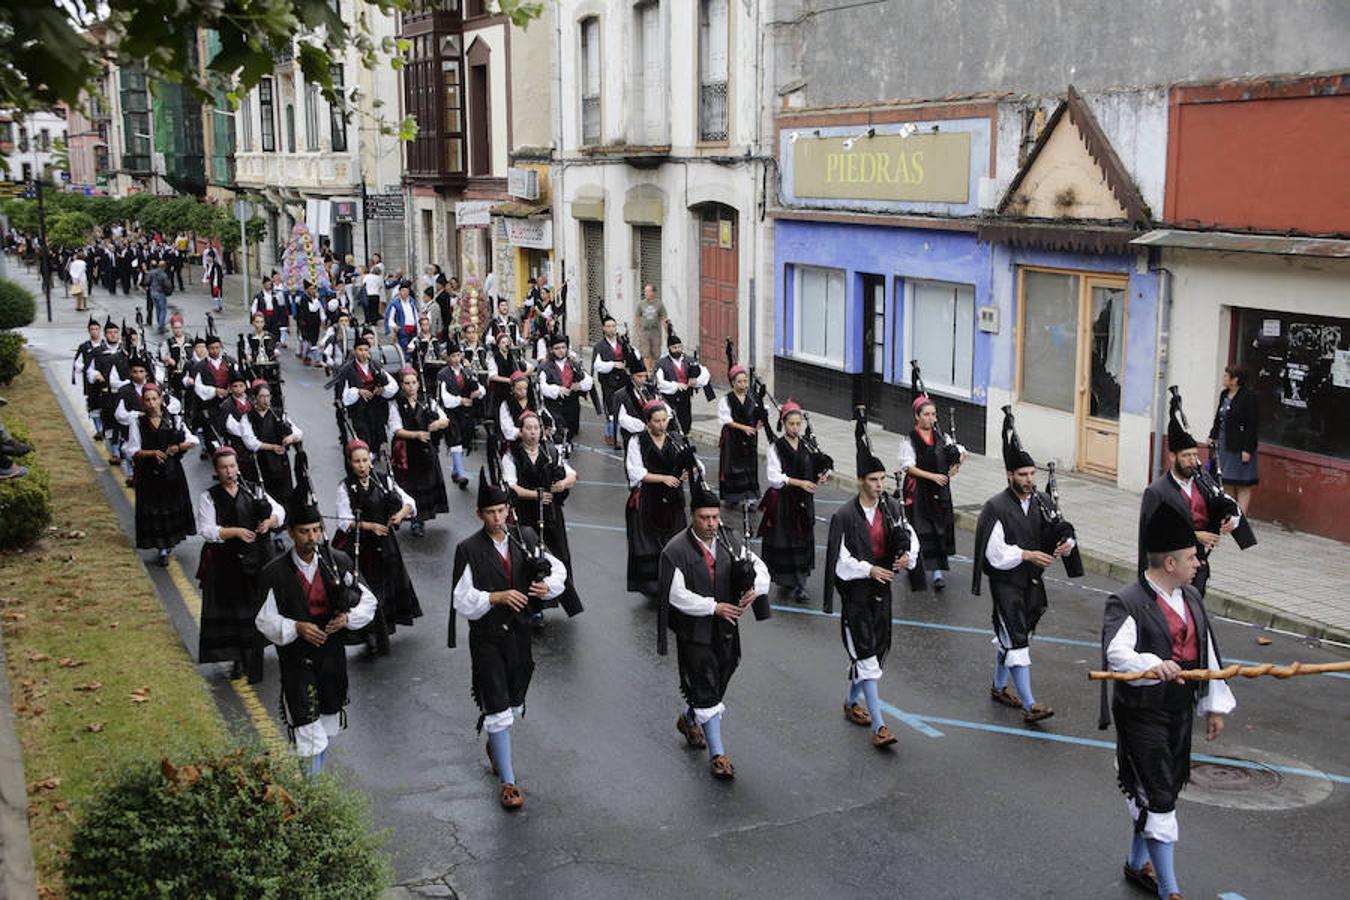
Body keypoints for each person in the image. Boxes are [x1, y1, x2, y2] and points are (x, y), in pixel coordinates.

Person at [1101, 500, 1235, 900]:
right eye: (1193, 557)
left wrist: (1213, 705)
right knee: (1158, 795)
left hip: (1178, 713)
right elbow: (1116, 654)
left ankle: (1135, 863)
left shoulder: (1192, 597)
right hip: (1142, 714)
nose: (1199, 563)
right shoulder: (1126, 601)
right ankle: (1170, 890)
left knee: (1163, 789)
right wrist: (1152, 664)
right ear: (1170, 563)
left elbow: (1207, 652)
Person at [448, 470, 567, 809]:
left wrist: (547, 587)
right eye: (490, 512)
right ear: (479, 515)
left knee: (513, 704)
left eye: (502, 511)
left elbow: (557, 569)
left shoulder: (525, 537)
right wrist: (495, 598)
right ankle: (509, 782)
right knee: (497, 705)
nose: (498, 518)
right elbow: (461, 598)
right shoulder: (468, 549)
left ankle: (496, 742)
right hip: (486, 638)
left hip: (520, 636)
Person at [255, 489, 378, 776]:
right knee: (307, 729)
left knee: (322, 727)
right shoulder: (274, 573)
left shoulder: (338, 562)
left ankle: (311, 790)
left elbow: (369, 600)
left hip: (331, 659)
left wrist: (347, 618)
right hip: (297, 660)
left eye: (316, 530)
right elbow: (264, 619)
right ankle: (311, 795)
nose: (312, 538)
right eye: (304, 532)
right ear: (290, 532)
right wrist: (296, 627)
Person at [971, 408, 1079, 723]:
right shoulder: (996, 507)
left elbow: (1059, 527)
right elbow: (995, 553)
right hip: (1006, 584)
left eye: (1032, 474)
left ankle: (999, 685)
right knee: (1016, 637)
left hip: (1031, 581)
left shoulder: (1043, 501)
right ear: (1010, 476)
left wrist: (1065, 542)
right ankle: (1030, 704)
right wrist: (1027, 555)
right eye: (1023, 475)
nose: (1030, 480)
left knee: (1018, 634)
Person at [658, 478, 769, 779]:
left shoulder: (729, 541)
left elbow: (758, 566)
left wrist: (754, 590)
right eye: (704, 518)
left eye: (715, 517)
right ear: (692, 516)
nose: (711, 523)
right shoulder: (676, 549)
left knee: (722, 674)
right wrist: (713, 606)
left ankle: (689, 717)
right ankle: (718, 754)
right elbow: (676, 594)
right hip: (695, 630)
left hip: (726, 628)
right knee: (706, 684)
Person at [823, 427, 918, 749]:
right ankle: (880, 726)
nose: (880, 485)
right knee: (867, 659)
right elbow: (841, 559)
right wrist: (869, 568)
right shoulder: (845, 516)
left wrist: (907, 556)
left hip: (881, 594)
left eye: (882, 480)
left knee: (875, 653)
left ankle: (851, 703)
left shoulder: (890, 508)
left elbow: (908, 534)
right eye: (874, 479)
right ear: (861, 479)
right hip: (856, 596)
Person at [1139, 390, 1248, 598]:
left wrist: (1232, 518)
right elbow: (1152, 535)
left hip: (1197, 569)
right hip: (1167, 573)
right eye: (1186, 455)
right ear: (1172, 457)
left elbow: (1222, 502)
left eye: (1195, 455)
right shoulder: (1157, 491)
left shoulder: (1203, 481)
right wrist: (1195, 535)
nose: (1192, 460)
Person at [195, 447, 284, 683]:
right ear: (216, 471)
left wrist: (269, 521)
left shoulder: (253, 489)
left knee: (257, 607)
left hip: (258, 559)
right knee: (234, 611)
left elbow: (280, 512)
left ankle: (254, 651)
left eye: (232, 466)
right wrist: (233, 532)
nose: (229, 471)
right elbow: (206, 530)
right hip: (227, 563)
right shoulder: (209, 496)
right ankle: (238, 657)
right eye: (224, 467)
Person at [333, 440, 420, 656]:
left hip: (386, 544)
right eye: (357, 462)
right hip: (361, 546)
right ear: (350, 463)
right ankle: (370, 633)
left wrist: (400, 514)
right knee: (368, 590)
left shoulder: (383, 480)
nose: (362, 466)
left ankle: (383, 629)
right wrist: (369, 526)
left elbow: (408, 501)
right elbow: (344, 521)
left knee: (386, 586)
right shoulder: (345, 487)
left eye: (364, 460)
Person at [502, 410, 583, 622]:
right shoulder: (512, 454)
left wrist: (562, 484)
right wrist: (536, 495)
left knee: (557, 556)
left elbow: (572, 475)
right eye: (528, 428)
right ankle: (532, 607)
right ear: (521, 431)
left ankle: (551, 598)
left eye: (536, 428)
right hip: (525, 515)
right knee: (530, 559)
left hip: (551, 514)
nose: (533, 432)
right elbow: (512, 486)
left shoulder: (550, 452)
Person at [758, 401, 829, 604]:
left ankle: (800, 583)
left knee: (802, 540)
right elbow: (774, 477)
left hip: (804, 501)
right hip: (784, 501)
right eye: (791, 424)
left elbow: (820, 463)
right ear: (784, 423)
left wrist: (822, 476)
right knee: (786, 540)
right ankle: (787, 579)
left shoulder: (807, 444)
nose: (795, 428)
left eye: (798, 424)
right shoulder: (776, 447)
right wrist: (800, 483)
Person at [124, 382, 197, 567]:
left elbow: (192, 440)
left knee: (170, 507)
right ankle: (161, 548)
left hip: (172, 474)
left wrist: (177, 447)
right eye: (147, 400)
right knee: (154, 509)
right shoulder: (137, 423)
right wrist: (152, 453)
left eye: (154, 399)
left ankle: (169, 543)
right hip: (149, 475)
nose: (151, 403)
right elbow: (132, 450)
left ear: (160, 399)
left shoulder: (173, 419)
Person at [626, 401, 695, 595]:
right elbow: (636, 471)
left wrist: (688, 472)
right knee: (649, 543)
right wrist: (664, 478)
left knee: (675, 540)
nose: (662, 425)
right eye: (657, 421)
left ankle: (676, 583)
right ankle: (653, 587)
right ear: (648, 423)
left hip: (673, 500)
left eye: (664, 420)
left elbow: (694, 465)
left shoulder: (676, 439)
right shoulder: (638, 441)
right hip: (648, 499)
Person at [898, 395, 965, 593]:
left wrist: (956, 467)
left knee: (938, 529)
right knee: (919, 529)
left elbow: (960, 451)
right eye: (926, 414)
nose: (931, 418)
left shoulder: (941, 437)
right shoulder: (910, 439)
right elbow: (908, 467)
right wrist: (933, 476)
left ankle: (937, 572)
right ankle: (915, 568)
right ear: (917, 416)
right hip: (918, 490)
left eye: (933, 414)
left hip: (939, 491)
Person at [386, 368, 451, 535]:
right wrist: (416, 434)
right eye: (407, 383)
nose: (411, 387)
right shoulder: (396, 404)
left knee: (425, 485)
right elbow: (396, 429)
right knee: (410, 487)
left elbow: (445, 419)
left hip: (426, 452)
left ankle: (419, 520)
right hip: (407, 452)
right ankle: (405, 516)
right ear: (402, 385)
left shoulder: (427, 402)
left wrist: (437, 424)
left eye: (413, 383)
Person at [240, 381, 302, 507]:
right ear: (255, 398)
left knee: (285, 495)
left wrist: (291, 437)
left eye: (268, 396)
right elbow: (250, 442)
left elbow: (298, 432)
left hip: (280, 462)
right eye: (262, 396)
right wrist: (272, 447)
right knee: (265, 495)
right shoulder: (248, 418)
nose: (265, 400)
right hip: (261, 462)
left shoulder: (279, 414)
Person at [1207, 364, 1259, 511]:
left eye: (1226, 376)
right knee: (1227, 480)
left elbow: (1252, 425)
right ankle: (1231, 513)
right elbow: (1218, 417)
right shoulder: (1224, 395)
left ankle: (1241, 517)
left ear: (1235, 380)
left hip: (1241, 445)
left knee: (1242, 483)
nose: (1223, 378)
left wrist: (1247, 449)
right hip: (1225, 443)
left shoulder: (1249, 397)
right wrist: (1213, 435)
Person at [335, 337, 398, 455]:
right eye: (360, 350)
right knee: (363, 433)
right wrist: (358, 392)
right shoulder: (348, 369)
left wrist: (382, 389)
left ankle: (375, 452)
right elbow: (344, 395)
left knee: (377, 431)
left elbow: (392, 385)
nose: (363, 353)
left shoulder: (375, 366)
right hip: (359, 409)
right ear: (354, 351)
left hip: (376, 406)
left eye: (366, 350)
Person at [436, 340, 483, 489]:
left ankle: (456, 471)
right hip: (451, 413)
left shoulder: (467, 372)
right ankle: (461, 474)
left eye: (458, 355)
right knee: (455, 441)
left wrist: (478, 393)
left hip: (466, 414)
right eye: (453, 356)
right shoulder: (443, 375)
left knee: (463, 442)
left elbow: (480, 388)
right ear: (448, 357)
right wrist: (460, 400)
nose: (456, 359)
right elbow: (444, 398)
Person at [717, 365, 765, 507]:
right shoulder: (727, 400)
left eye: (745, 381)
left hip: (750, 439)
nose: (743, 385)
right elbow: (726, 420)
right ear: (732, 382)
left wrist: (757, 426)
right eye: (739, 382)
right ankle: (733, 497)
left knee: (750, 466)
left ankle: (750, 498)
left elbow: (757, 415)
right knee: (733, 466)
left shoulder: (752, 398)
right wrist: (744, 428)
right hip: (733, 438)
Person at [654, 328, 711, 436]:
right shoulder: (662, 363)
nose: (678, 350)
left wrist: (696, 381)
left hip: (685, 397)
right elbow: (660, 383)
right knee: (672, 423)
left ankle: (684, 439)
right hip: (669, 398)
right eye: (675, 347)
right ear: (669, 348)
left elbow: (705, 373)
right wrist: (676, 385)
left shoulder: (689, 360)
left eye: (680, 347)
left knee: (686, 422)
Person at [537, 333, 593, 440]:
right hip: (554, 406)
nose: (561, 350)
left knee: (570, 436)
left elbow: (588, 379)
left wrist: (580, 385)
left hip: (572, 406)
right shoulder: (545, 366)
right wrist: (557, 390)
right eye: (557, 348)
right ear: (551, 350)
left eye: (563, 347)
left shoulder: (573, 364)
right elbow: (541, 386)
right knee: (557, 435)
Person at [88, 319, 130, 463]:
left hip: (124, 394)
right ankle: (115, 452)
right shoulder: (97, 352)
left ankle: (125, 449)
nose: (113, 335)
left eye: (115, 332)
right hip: (107, 394)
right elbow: (90, 370)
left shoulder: (125, 351)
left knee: (125, 423)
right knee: (110, 423)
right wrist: (95, 375)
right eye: (109, 332)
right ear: (105, 334)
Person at [591, 315, 634, 447]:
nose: (611, 329)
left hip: (623, 380)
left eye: (613, 326)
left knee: (624, 407)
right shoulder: (599, 346)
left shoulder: (623, 342)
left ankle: (622, 434)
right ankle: (611, 434)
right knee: (610, 408)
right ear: (604, 329)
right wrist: (613, 364)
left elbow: (632, 356)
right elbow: (597, 365)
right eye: (608, 326)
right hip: (608, 382)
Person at [191, 334, 236, 454]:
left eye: (217, 347)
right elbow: (198, 387)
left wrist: (232, 388)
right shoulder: (201, 366)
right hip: (210, 405)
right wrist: (215, 391)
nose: (215, 351)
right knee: (212, 434)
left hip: (229, 403)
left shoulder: (230, 362)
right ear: (207, 348)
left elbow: (238, 380)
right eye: (211, 348)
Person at [73, 316, 104, 436]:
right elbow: (77, 363)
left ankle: (105, 428)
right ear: (89, 331)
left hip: (105, 382)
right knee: (94, 406)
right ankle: (99, 430)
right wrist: (87, 369)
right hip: (91, 384)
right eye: (92, 329)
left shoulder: (105, 345)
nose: (95, 331)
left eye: (97, 329)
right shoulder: (84, 347)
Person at [385, 280, 419, 352]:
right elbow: (389, 318)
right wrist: (394, 325)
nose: (405, 293)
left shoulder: (412, 302)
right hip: (403, 330)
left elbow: (416, 315)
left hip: (413, 330)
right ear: (399, 291)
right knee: (405, 349)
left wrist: (418, 328)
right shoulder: (395, 303)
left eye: (407, 291)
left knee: (414, 349)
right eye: (403, 291)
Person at [636, 283, 666, 365]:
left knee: (655, 354)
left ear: (653, 293)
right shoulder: (641, 304)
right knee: (645, 353)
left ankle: (653, 370)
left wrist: (667, 332)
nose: (646, 293)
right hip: (644, 332)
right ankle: (648, 371)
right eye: (645, 291)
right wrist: (638, 330)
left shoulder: (659, 304)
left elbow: (664, 318)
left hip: (656, 332)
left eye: (648, 291)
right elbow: (637, 317)